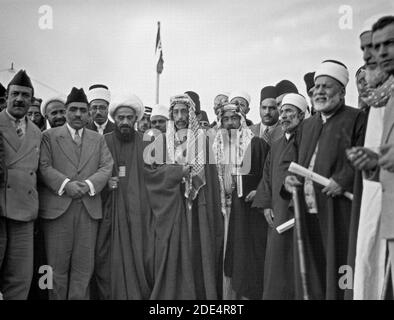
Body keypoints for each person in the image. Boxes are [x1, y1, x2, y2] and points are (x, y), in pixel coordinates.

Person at [284, 60, 366, 300]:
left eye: (326, 86)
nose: (319, 91)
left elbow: (364, 155)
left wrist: (344, 179)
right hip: (308, 211)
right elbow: (293, 161)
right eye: (316, 87)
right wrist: (289, 181)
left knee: (342, 267)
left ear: (341, 91)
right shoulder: (306, 126)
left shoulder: (356, 118)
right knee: (313, 270)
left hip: (339, 211)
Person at [39, 87, 113, 300]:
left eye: (83, 110)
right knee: (55, 269)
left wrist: (89, 185)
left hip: (88, 212)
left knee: (83, 269)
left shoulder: (98, 139)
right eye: (73, 110)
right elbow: (44, 166)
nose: (78, 114)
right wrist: (66, 185)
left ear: (89, 113)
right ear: (66, 111)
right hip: (57, 211)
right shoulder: (49, 137)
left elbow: (106, 167)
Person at [149, 94, 223, 299]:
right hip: (172, 207)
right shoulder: (161, 141)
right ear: (171, 115)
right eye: (176, 112)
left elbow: (210, 180)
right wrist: (177, 173)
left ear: (191, 114)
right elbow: (153, 175)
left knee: (197, 252)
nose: (180, 116)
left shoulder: (203, 141)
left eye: (184, 111)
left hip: (198, 208)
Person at [94, 95, 161, 299]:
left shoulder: (147, 143)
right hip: (111, 212)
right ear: (114, 118)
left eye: (129, 118)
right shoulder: (102, 141)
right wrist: (105, 183)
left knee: (144, 257)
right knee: (106, 259)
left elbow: (157, 174)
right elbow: (92, 172)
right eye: (121, 117)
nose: (125, 122)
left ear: (136, 119)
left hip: (141, 213)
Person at [346, 15, 394, 299]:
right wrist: (372, 163)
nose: (377, 54)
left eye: (389, 44)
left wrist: (379, 158)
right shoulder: (379, 103)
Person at [253, 93, 307, 299]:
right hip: (277, 211)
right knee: (276, 263)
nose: (283, 116)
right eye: (282, 111)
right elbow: (267, 176)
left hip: (297, 212)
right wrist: (266, 205)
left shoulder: (307, 139)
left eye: (289, 112)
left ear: (301, 115)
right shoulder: (276, 145)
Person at [213, 103, 269, 300]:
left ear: (241, 120)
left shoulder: (256, 144)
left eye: (234, 119)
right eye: (225, 119)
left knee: (244, 260)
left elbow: (268, 176)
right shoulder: (214, 148)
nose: (230, 124)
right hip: (221, 211)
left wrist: (259, 191)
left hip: (246, 215)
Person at [0, 70, 42, 300]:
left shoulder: (37, 133)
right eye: (15, 94)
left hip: (25, 214)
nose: (19, 99)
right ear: (6, 97)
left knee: (20, 280)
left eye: (25, 95)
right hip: (0, 210)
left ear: (32, 100)